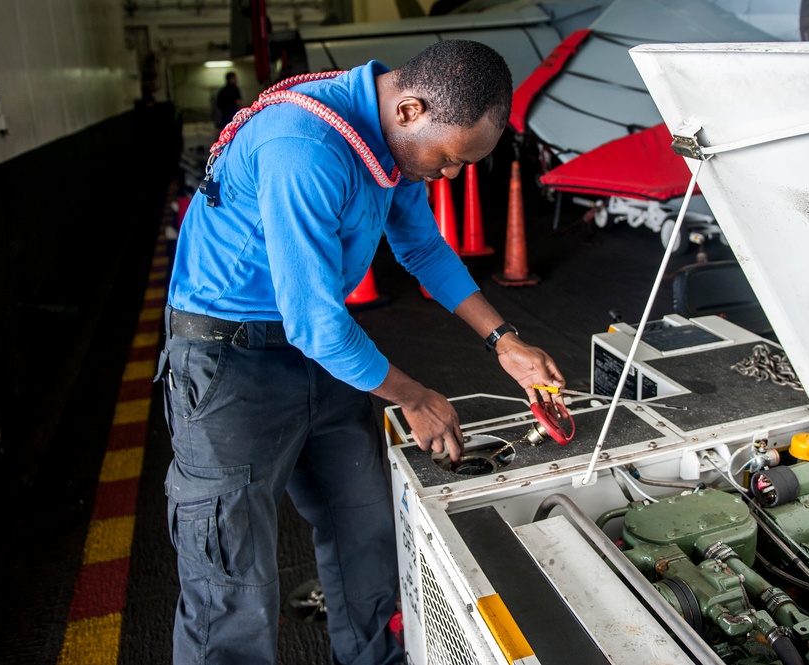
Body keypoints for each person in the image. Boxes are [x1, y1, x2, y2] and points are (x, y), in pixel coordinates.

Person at [156, 40, 567, 665]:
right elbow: (317, 324)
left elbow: (423, 250)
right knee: (231, 578)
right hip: (228, 363)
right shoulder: (303, 146)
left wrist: (503, 340)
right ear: (410, 110)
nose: (450, 176)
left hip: (320, 351)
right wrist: (418, 398)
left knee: (366, 534)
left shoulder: (391, 144)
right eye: (451, 160)